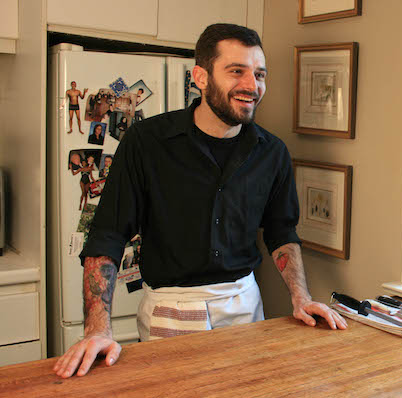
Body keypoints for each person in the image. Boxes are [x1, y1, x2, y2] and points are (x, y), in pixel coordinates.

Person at [54, 24, 347, 379]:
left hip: (243, 306)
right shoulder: (147, 142)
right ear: (201, 77)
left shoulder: (272, 153)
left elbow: (281, 230)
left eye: (259, 74)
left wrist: (301, 297)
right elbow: (108, 234)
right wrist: (97, 329)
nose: (251, 86)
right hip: (169, 309)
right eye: (236, 71)